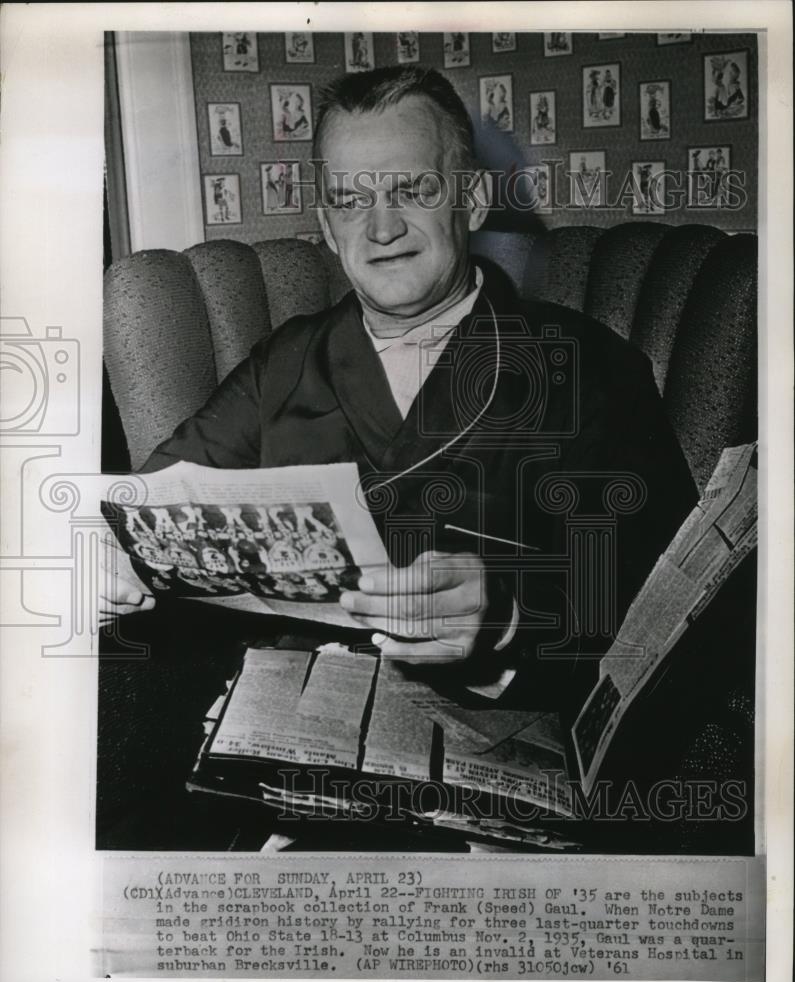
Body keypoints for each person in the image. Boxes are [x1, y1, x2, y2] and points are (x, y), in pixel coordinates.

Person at [101, 65, 695, 716]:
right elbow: (154, 503)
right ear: (327, 227)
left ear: (469, 202)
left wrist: (506, 624)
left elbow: (666, 618)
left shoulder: (588, 367)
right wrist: (108, 557)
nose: (380, 229)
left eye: (410, 190)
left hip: (510, 731)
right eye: (351, 201)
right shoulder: (289, 360)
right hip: (287, 718)